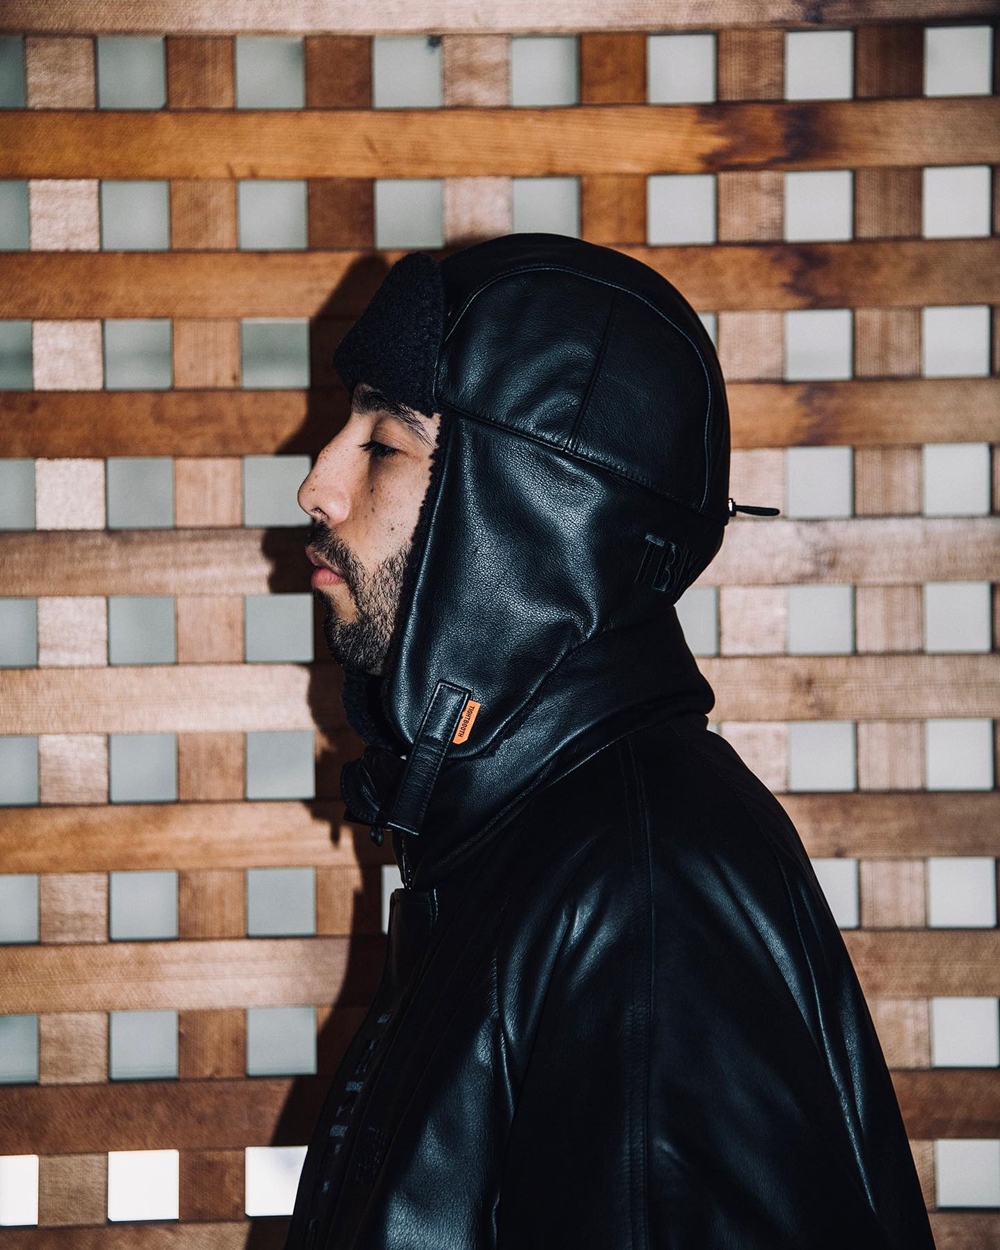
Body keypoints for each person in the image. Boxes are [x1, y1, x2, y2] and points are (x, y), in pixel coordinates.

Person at [286, 234, 933, 1248]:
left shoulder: (646, 888)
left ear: (529, 517)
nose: (317, 484)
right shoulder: (530, 835)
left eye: (384, 444)